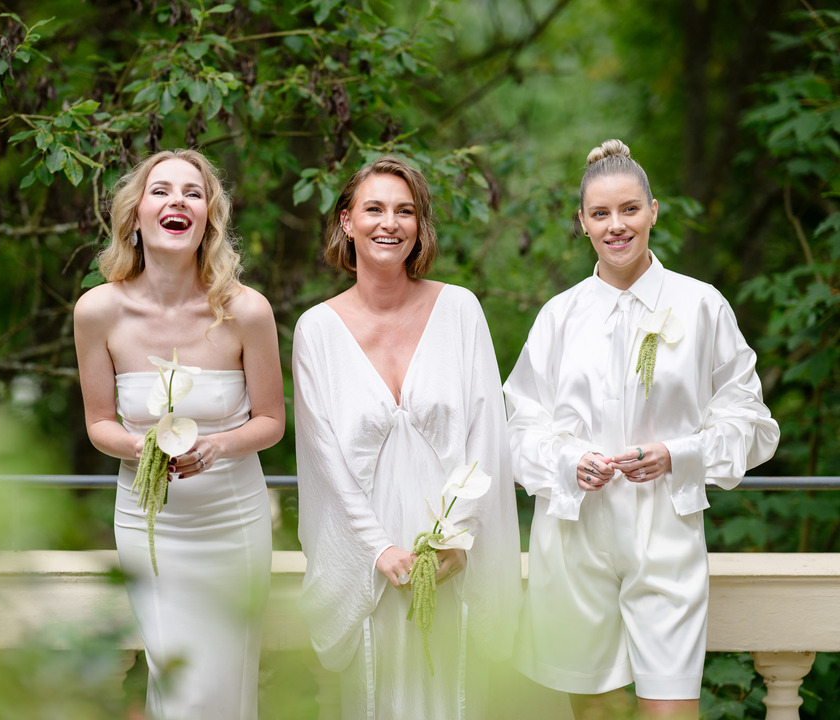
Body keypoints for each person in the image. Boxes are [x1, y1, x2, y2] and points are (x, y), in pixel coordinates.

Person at [504, 139, 780, 719]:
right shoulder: (559, 316)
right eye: (600, 214)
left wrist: (678, 453)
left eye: (629, 209)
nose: (616, 226)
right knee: (597, 713)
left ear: (654, 210)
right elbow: (516, 424)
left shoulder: (702, 306)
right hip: (576, 533)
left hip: (667, 533)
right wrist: (565, 464)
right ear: (581, 223)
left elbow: (752, 423)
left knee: (670, 712)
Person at [292, 156, 522, 719]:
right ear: (347, 221)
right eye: (374, 209)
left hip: (451, 552)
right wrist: (379, 551)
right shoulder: (315, 330)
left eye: (405, 211)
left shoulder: (460, 310)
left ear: (419, 227)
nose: (388, 223)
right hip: (367, 556)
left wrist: (455, 536)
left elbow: (486, 434)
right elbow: (323, 460)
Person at [73, 149, 285, 720]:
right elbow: (99, 425)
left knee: (224, 683)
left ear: (208, 219)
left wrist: (218, 445)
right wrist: (138, 448)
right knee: (178, 681)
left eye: (193, 193)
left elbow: (271, 421)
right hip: (149, 524)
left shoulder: (247, 311)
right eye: (161, 190)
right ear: (135, 215)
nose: (177, 202)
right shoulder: (98, 311)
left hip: (233, 522)